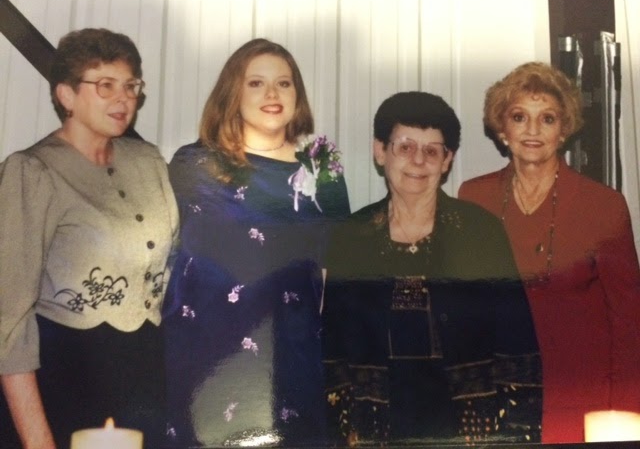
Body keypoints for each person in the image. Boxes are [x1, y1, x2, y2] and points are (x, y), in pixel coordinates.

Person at [321, 91, 541, 446]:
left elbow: (518, 345)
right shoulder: (351, 237)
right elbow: (333, 352)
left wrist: (518, 435)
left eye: (432, 151)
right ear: (381, 151)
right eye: (405, 147)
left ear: (447, 160)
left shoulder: (480, 232)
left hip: (469, 430)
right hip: (374, 427)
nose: (418, 161)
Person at [163, 38, 350, 447]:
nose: (271, 94)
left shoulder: (323, 169)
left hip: (291, 359)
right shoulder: (195, 164)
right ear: (233, 92)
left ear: (297, 94)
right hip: (209, 360)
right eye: (256, 83)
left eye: (283, 83)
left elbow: (332, 274)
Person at [0, 28, 178, 449]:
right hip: (64, 380)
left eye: (130, 86)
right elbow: (7, 320)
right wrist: (38, 440)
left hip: (144, 380)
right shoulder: (32, 173)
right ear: (66, 95)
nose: (123, 99)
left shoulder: (149, 161)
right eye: (105, 85)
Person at [458, 61, 640, 443]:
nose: (533, 130)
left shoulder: (603, 206)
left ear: (564, 130)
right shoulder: (474, 198)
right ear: (502, 129)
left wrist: (624, 416)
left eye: (547, 119)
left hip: (582, 403)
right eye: (519, 117)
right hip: (498, 403)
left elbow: (629, 323)